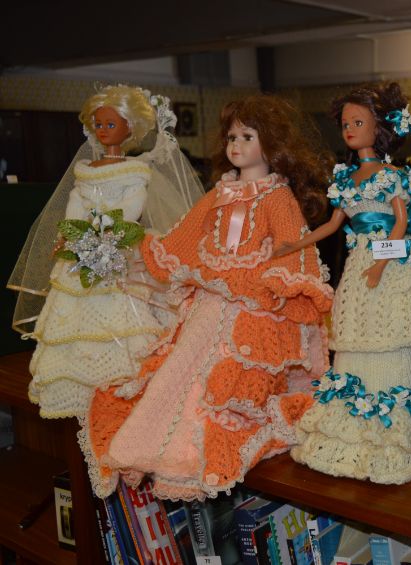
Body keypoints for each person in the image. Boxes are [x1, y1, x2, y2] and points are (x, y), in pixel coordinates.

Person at [79, 95, 334, 500]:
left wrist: (278, 279)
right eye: (232, 137)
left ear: (270, 144)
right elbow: (188, 233)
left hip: (251, 304)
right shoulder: (221, 193)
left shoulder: (276, 196)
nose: (236, 145)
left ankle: (188, 447)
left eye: (247, 136)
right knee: (183, 367)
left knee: (224, 377)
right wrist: (156, 248)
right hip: (211, 297)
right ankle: (150, 441)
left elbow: (292, 244)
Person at [282, 82, 411, 484]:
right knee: (353, 326)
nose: (350, 129)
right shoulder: (344, 179)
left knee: (394, 327)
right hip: (360, 260)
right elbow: (332, 225)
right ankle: (355, 413)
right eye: (346, 123)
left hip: (390, 262)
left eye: (358, 122)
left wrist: (380, 263)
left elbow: (401, 223)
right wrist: (298, 242)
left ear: (379, 128)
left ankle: (392, 409)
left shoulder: (393, 176)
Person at [7, 84, 203, 419]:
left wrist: (106, 230)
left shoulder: (135, 170)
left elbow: (133, 204)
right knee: (73, 314)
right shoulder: (87, 170)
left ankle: (127, 381)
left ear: (130, 127)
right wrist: (74, 231)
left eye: (111, 124)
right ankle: (79, 382)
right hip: (85, 244)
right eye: (98, 124)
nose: (103, 130)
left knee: (129, 312)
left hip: (120, 244)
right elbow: (76, 200)